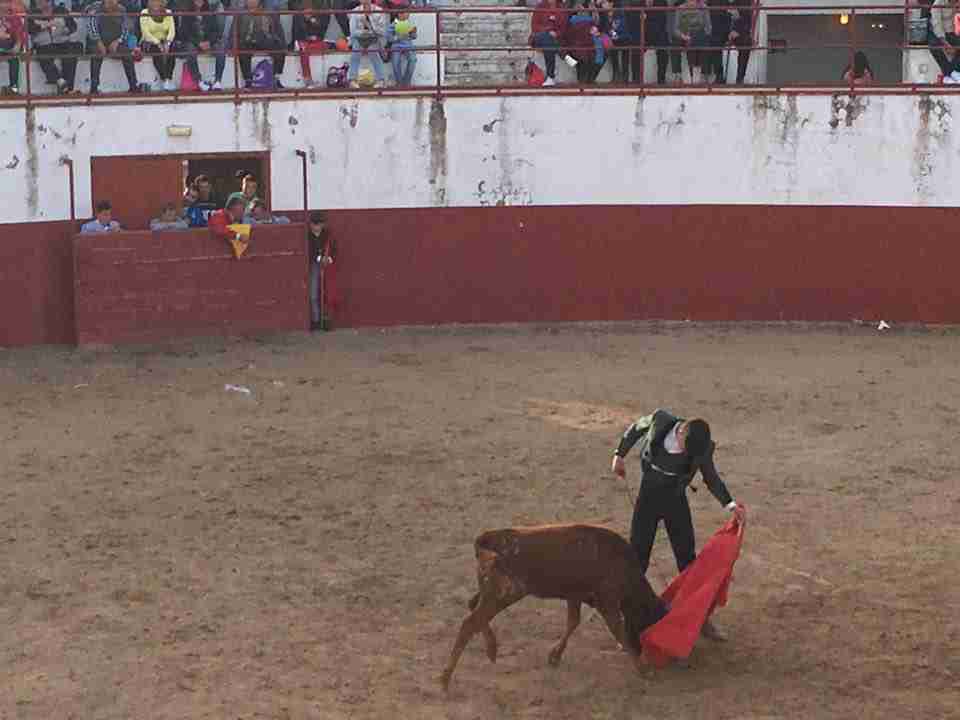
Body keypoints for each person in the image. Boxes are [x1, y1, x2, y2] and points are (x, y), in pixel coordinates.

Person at [611, 409, 745, 640]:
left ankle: (699, 617)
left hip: (675, 497)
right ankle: (628, 617)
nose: (688, 454)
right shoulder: (660, 420)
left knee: (687, 559)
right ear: (681, 431)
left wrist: (730, 504)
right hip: (648, 496)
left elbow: (710, 476)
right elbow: (635, 428)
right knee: (638, 557)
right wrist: (619, 454)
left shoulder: (700, 445)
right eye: (686, 447)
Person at [86, 0, 142, 94]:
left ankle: (133, 85)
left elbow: (126, 28)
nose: (111, 2)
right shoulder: (95, 8)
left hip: (116, 41)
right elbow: (91, 26)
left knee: (127, 54)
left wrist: (118, 41)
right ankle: (94, 88)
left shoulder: (122, 9)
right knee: (96, 54)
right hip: (98, 40)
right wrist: (99, 42)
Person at [28, 0, 83, 95]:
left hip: (60, 42)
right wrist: (44, 26)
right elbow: (30, 29)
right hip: (44, 44)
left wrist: (65, 29)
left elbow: (73, 26)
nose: (39, 3)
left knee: (71, 54)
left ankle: (68, 88)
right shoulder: (33, 13)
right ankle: (61, 82)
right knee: (43, 56)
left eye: (42, 2)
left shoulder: (61, 10)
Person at [235, 0, 288, 89]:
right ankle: (248, 81)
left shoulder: (268, 12)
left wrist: (282, 43)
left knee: (280, 48)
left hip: (265, 40)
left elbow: (278, 30)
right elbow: (235, 31)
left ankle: (276, 79)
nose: (252, 2)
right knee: (242, 51)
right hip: (248, 41)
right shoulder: (241, 14)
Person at [176, 0, 225, 90]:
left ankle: (218, 81)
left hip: (208, 42)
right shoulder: (187, 13)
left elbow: (216, 31)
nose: (199, 1)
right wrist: (198, 43)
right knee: (190, 50)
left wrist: (209, 42)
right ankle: (199, 81)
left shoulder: (210, 12)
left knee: (220, 49)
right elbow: (184, 33)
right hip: (194, 42)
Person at [529, 0, 576, 87]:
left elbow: (564, 28)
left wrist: (556, 34)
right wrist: (548, 31)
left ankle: (551, 77)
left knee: (548, 42)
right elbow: (534, 26)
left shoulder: (562, 7)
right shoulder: (540, 6)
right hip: (538, 37)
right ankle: (565, 56)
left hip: (555, 39)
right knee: (545, 37)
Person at [705, 0, 750, 84]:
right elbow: (714, 17)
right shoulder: (715, 2)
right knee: (714, 41)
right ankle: (719, 76)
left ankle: (740, 79)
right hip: (721, 28)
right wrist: (726, 28)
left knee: (746, 42)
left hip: (738, 31)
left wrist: (737, 30)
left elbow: (747, 18)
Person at [307, 209, 336, 330]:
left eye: (318, 224)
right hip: (314, 265)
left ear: (322, 224)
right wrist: (321, 259)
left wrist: (328, 258)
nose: (316, 227)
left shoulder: (327, 234)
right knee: (313, 294)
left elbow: (334, 249)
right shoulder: (307, 235)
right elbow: (309, 252)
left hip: (327, 266)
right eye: (314, 224)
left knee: (327, 293)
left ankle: (326, 320)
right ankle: (316, 320)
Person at [347, 0, 386, 88]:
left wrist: (369, 24)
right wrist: (362, 32)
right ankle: (352, 80)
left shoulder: (379, 11)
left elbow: (382, 31)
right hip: (359, 37)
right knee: (355, 55)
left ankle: (381, 80)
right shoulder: (355, 11)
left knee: (374, 54)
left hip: (373, 38)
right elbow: (352, 30)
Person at [140, 0, 177, 90]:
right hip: (149, 41)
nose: (155, 3)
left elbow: (172, 31)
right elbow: (145, 32)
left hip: (165, 40)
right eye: (153, 1)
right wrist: (158, 43)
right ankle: (164, 79)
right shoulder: (144, 12)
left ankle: (169, 78)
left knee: (173, 49)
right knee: (156, 50)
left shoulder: (168, 13)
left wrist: (168, 42)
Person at [672, 0, 711, 84]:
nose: (692, 2)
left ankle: (703, 75)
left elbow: (708, 27)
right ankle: (678, 74)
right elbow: (675, 29)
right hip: (683, 34)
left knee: (705, 43)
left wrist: (699, 35)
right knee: (674, 45)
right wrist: (683, 36)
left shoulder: (703, 7)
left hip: (698, 34)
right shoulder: (680, 8)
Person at [0, 0, 27, 96]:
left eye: (6, 3)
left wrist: (18, 45)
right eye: (1, 2)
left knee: (14, 58)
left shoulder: (14, 17)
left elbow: (20, 33)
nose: (3, 5)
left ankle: (13, 88)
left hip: (10, 47)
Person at [386, 8, 416, 86]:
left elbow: (414, 36)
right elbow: (389, 38)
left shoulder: (409, 23)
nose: (408, 15)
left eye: (408, 13)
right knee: (395, 62)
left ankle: (406, 82)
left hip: (408, 45)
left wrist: (413, 33)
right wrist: (398, 37)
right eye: (406, 13)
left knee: (413, 60)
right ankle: (399, 82)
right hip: (396, 45)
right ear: (400, 14)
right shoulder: (393, 24)